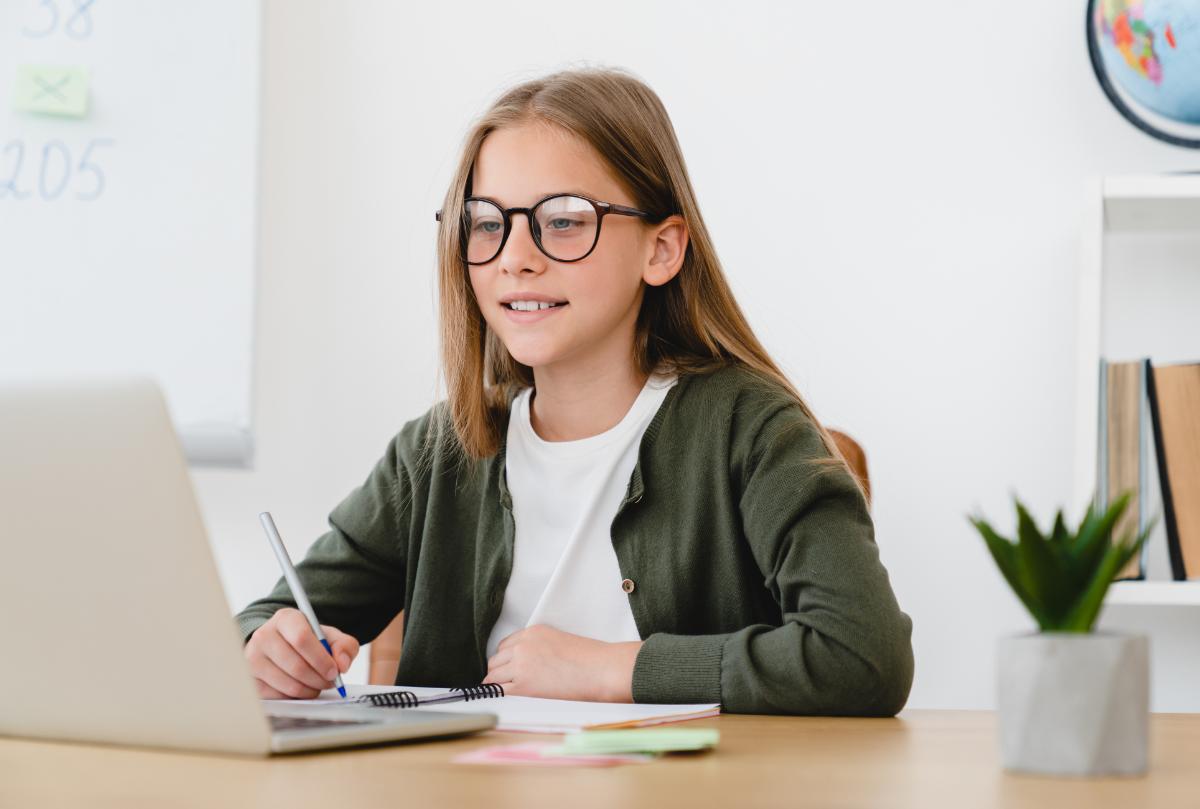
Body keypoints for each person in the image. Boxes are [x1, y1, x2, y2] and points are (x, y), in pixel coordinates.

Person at [236, 67, 914, 716]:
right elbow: (265, 620)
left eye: (563, 219)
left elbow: (863, 654)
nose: (515, 255)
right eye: (486, 221)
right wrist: (265, 649)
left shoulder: (752, 428)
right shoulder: (436, 452)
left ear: (663, 249)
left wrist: (609, 668)